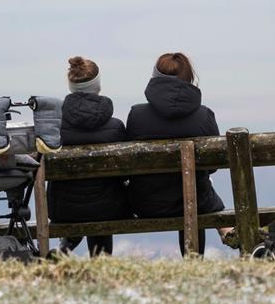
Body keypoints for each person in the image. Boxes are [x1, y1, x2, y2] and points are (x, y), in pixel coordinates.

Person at [124, 52, 235, 255]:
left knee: (194, 190)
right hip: (196, 203)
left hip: (147, 203)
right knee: (195, 189)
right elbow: (214, 165)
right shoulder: (204, 116)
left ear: (155, 77)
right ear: (189, 78)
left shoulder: (137, 115)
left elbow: (129, 165)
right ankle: (196, 256)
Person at [46, 56, 129, 257]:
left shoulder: (55, 129)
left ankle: (66, 247)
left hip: (63, 210)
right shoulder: (115, 128)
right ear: (98, 86)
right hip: (109, 208)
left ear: (71, 86)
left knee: (87, 197)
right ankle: (100, 260)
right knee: (101, 196)